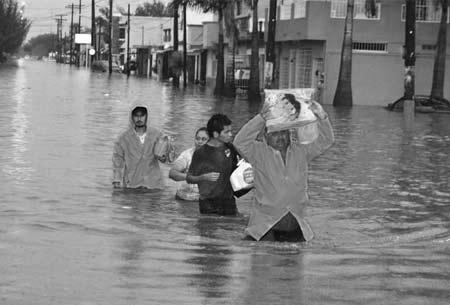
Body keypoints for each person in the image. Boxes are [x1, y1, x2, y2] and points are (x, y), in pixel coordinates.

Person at [234, 102, 334, 242]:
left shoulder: (302, 151)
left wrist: (322, 116)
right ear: (265, 136)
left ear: (289, 134)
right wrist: (262, 117)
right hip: (264, 230)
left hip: (297, 228)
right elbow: (239, 142)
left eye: (284, 132)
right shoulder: (257, 152)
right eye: (274, 133)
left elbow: (326, 140)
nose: (280, 137)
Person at [186, 114, 240, 215]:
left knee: (232, 229)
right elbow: (189, 178)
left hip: (229, 202)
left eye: (231, 131)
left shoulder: (231, 148)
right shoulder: (201, 153)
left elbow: (238, 170)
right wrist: (203, 177)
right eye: (227, 132)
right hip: (208, 204)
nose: (231, 134)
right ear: (215, 134)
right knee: (209, 227)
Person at [112, 104, 167, 189]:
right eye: (136, 116)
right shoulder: (123, 138)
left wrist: (163, 157)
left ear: (146, 117)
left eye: (142, 115)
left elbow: (168, 157)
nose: (139, 119)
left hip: (154, 185)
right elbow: (117, 160)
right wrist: (116, 180)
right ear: (132, 118)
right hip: (132, 184)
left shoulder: (157, 135)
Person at [168, 127, 210, 201]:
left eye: (204, 139)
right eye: (197, 138)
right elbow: (172, 173)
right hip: (184, 199)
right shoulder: (187, 155)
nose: (199, 142)